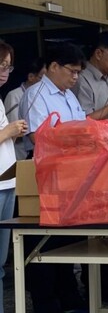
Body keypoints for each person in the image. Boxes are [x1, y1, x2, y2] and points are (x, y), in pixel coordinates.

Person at [18, 43, 88, 313]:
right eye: (71, 71)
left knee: (65, 241)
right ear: (54, 67)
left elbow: (81, 127)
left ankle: (68, 296)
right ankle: (46, 302)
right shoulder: (37, 95)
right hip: (45, 175)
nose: (75, 78)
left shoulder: (68, 95)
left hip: (71, 174)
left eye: (79, 73)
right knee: (42, 242)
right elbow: (38, 137)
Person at [0, 41, 28, 313]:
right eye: (0, 65)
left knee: (0, 263)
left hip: (7, 182)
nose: (4, 71)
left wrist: (12, 133)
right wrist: (7, 132)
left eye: (8, 66)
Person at [4, 58, 45, 159]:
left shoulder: (45, 96)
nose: (45, 82)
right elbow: (12, 130)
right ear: (31, 77)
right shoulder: (14, 95)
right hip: (20, 153)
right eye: (42, 78)